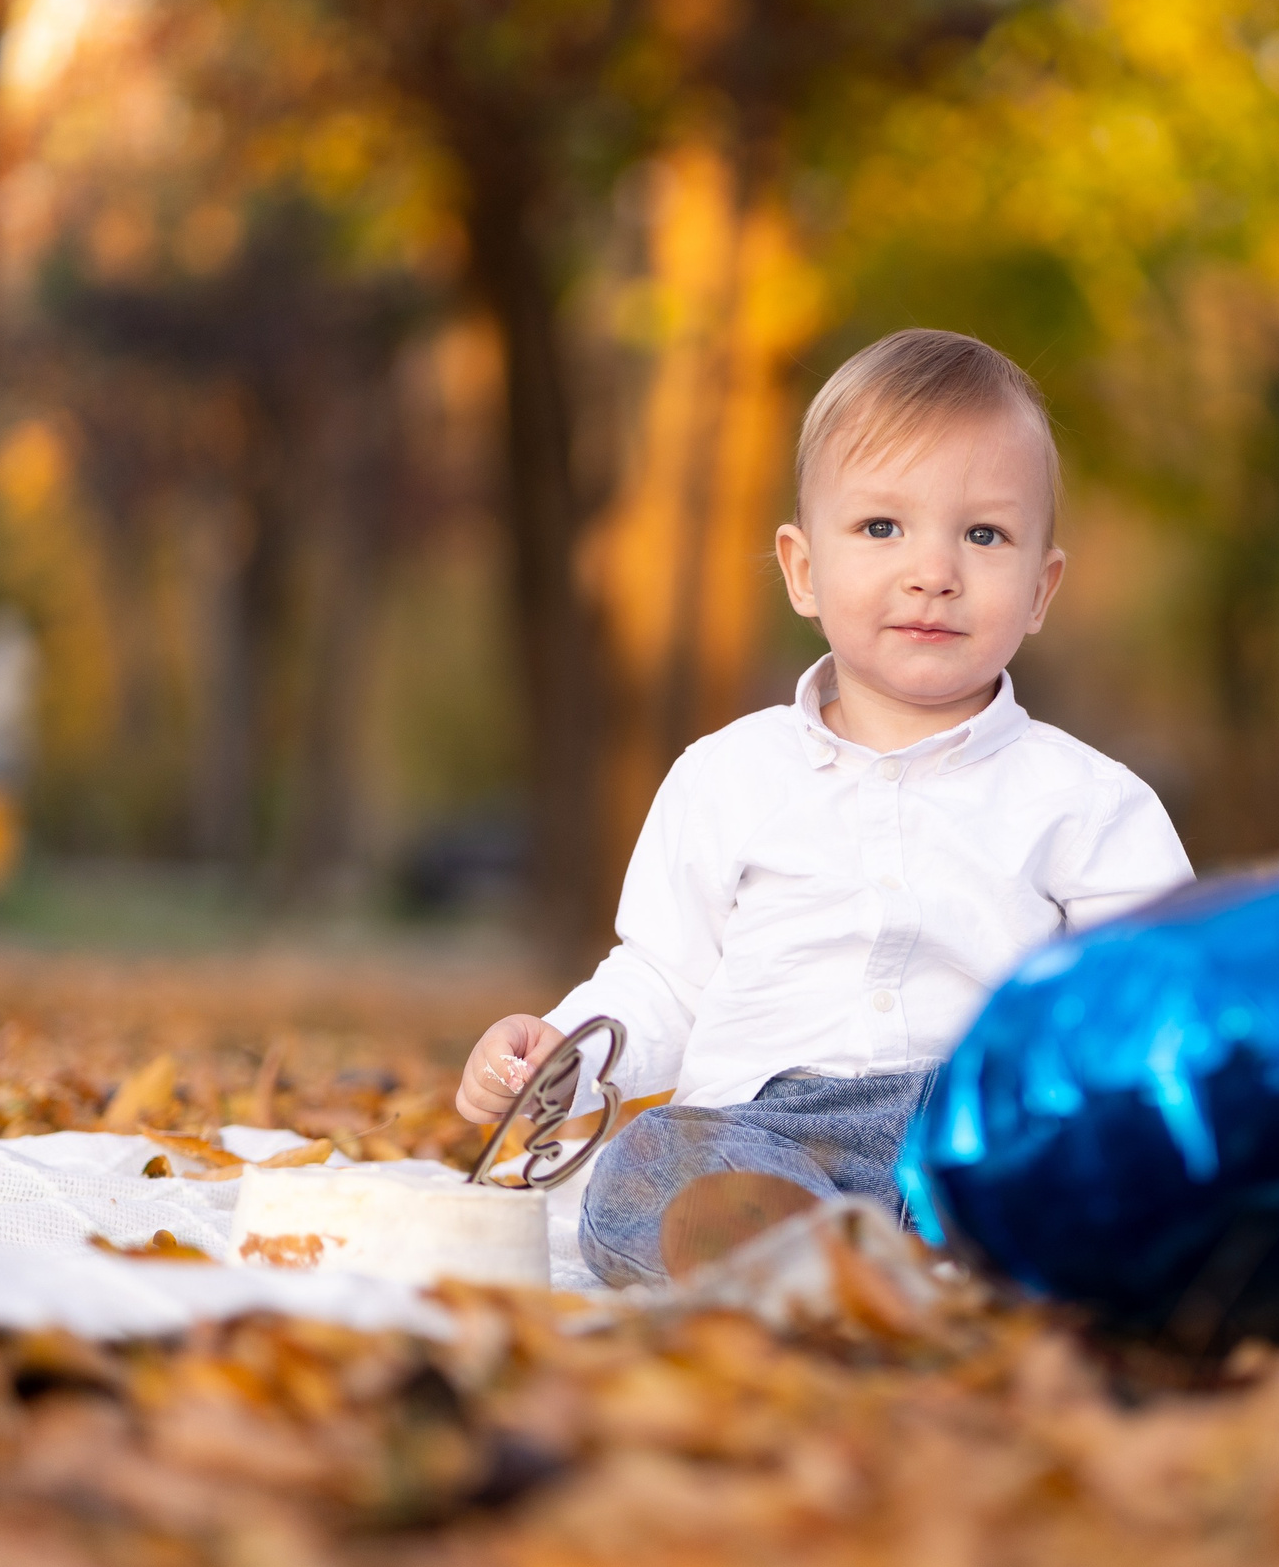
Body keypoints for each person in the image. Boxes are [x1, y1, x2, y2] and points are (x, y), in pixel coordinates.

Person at [454, 329, 1194, 1285]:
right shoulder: (727, 776)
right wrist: (563, 1054)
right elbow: (664, 978)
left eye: (983, 535)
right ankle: (808, 1259)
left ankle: (941, 1252)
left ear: (1041, 588)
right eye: (882, 528)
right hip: (765, 1133)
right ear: (802, 569)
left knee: (1103, 1160)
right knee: (644, 1166)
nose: (934, 570)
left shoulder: (1089, 803)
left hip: (972, 1126)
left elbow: (1149, 999)